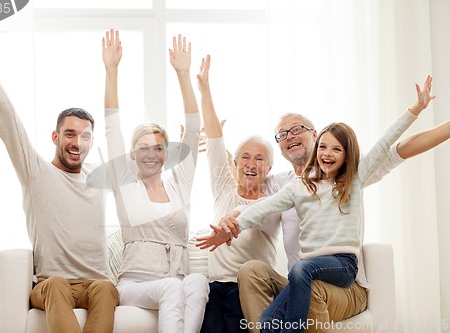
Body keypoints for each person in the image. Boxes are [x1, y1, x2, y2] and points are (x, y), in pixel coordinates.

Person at [197, 75, 436, 333]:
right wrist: (230, 217)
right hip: (297, 281)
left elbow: (395, 148)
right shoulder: (285, 185)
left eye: (297, 129)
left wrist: (418, 112)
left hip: (341, 285)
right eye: (282, 134)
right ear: (280, 150)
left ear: (315, 135)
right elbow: (251, 195)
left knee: (309, 283)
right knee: (252, 271)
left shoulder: (350, 176)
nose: (290, 135)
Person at [0, 13, 119, 333]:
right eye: (69, 134)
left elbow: (138, 159)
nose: (77, 143)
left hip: (96, 283)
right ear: (56, 137)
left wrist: (111, 71)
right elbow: (8, 115)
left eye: (85, 137)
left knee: (107, 289)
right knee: (55, 283)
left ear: (91, 142)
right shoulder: (36, 172)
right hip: (52, 286)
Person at [102, 29, 209, 333]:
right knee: (172, 288)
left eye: (158, 148)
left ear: (166, 153)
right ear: (132, 154)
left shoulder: (178, 186)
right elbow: (112, 129)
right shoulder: (125, 186)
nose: (151, 154)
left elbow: (192, 129)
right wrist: (111, 71)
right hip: (135, 284)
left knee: (199, 281)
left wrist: (184, 75)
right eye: (143, 148)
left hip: (174, 279)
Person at [196, 55, 282, 333]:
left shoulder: (274, 199)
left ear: (269, 167)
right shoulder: (224, 187)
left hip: (250, 286)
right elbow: (215, 140)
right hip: (216, 284)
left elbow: (249, 216)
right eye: (245, 157)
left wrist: (233, 218)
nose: (251, 163)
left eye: (259, 159)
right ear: (235, 164)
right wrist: (204, 89)